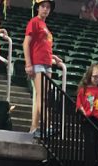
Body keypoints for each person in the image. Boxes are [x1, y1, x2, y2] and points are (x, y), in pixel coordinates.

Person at [25, 0, 59, 138]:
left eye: (48, 7)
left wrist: (53, 57)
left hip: (47, 64)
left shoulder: (45, 25)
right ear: (37, 8)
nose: (45, 9)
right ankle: (47, 126)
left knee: (42, 97)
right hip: (38, 63)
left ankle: (34, 127)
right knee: (41, 97)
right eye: (43, 6)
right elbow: (26, 43)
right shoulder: (34, 21)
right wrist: (28, 64)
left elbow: (43, 45)